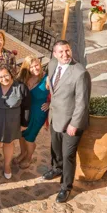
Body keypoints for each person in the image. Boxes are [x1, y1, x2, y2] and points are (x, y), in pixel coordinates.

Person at [43, 40, 91, 203]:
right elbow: (52, 83)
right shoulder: (51, 64)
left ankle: (66, 187)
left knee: (68, 154)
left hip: (72, 123)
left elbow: (82, 102)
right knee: (55, 148)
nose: (65, 55)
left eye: (67, 50)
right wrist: (49, 84)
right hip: (55, 117)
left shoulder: (80, 73)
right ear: (55, 54)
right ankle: (56, 169)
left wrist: (74, 124)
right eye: (61, 52)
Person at [0, 66, 30, 180]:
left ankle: (7, 165)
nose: (4, 79)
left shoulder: (21, 87)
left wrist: (24, 123)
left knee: (9, 143)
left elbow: (26, 107)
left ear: (11, 74)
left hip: (13, 120)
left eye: (6, 75)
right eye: (0, 77)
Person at [17, 56, 50, 170]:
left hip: (38, 112)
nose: (35, 68)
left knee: (29, 137)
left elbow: (59, 94)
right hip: (24, 111)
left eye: (36, 65)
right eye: (31, 67)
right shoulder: (24, 78)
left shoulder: (47, 79)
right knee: (21, 134)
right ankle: (22, 153)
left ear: (40, 64)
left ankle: (29, 157)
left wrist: (50, 104)